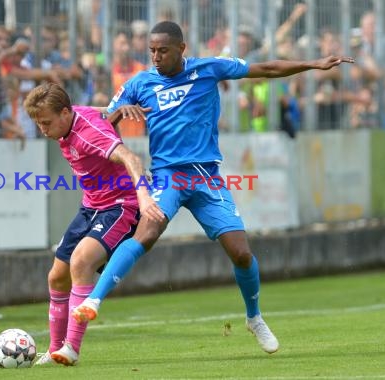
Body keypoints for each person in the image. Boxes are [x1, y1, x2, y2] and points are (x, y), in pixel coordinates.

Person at [72, 21, 354, 354]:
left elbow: (265, 67)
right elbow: (101, 123)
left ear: (181, 48)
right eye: (152, 51)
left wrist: (312, 64)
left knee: (241, 253)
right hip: (167, 176)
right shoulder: (140, 83)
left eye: (163, 50)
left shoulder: (209, 69)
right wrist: (120, 112)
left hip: (206, 176)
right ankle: (94, 299)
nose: (156, 57)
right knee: (146, 233)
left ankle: (254, 317)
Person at [23, 83, 164, 366]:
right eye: (38, 123)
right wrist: (114, 111)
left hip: (120, 207)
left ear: (65, 113)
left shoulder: (89, 134)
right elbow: (96, 112)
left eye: (47, 123)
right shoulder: (71, 120)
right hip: (90, 207)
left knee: (81, 262)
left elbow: (129, 157)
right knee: (56, 277)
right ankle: (53, 351)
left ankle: (71, 348)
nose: (43, 129)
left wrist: (144, 197)